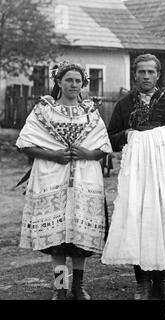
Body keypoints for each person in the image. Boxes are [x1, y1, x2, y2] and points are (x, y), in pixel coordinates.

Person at [15, 61, 112, 300]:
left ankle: (78, 286)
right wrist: (54, 155)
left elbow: (103, 146)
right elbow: (25, 144)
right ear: (58, 82)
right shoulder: (44, 111)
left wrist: (88, 154)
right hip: (52, 176)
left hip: (84, 177)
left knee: (81, 240)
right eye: (69, 80)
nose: (74, 85)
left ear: (83, 84)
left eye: (78, 81)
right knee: (56, 241)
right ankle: (60, 287)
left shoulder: (90, 113)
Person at [101, 54, 165, 300]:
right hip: (135, 175)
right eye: (141, 72)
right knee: (138, 223)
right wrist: (129, 135)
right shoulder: (124, 104)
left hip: (163, 174)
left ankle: (162, 283)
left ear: (158, 75)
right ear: (135, 75)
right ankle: (142, 283)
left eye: (151, 72)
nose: (146, 76)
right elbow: (110, 138)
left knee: (162, 221)